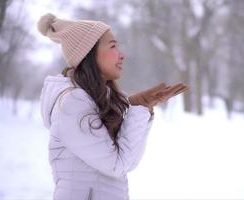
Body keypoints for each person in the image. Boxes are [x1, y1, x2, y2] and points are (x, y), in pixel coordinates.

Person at [37, 13, 187, 200]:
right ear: (89, 54)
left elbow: (129, 162)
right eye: (113, 46)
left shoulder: (97, 100)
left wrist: (140, 107)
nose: (122, 55)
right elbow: (118, 164)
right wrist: (139, 106)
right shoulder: (73, 104)